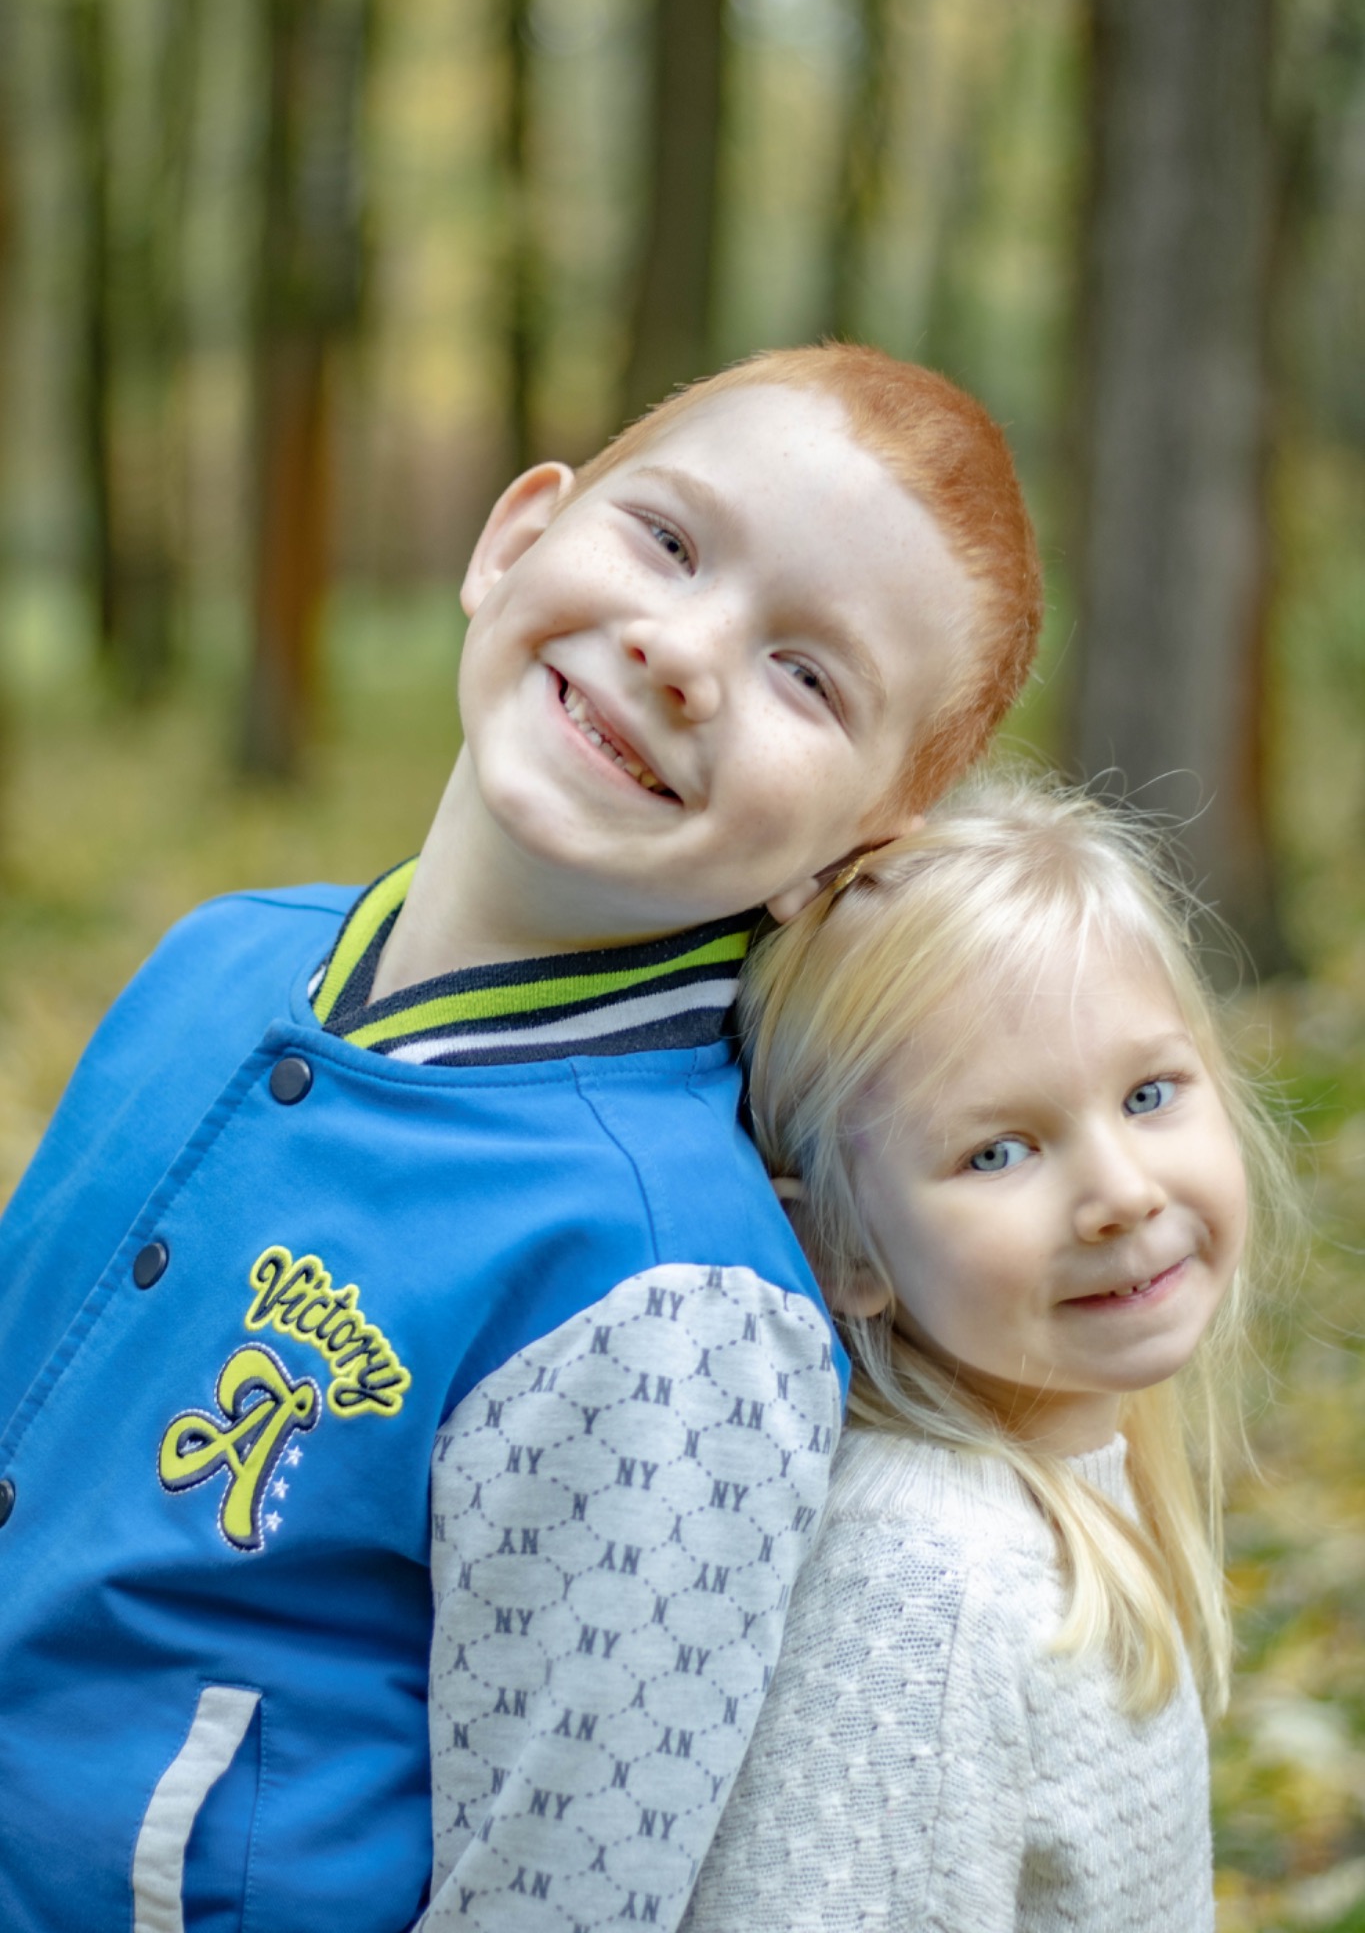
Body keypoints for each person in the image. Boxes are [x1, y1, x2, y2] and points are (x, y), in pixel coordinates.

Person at [0, 344, 1043, 1933]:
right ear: (514, 540)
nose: (683, 650)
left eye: (807, 676)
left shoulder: (667, 1297)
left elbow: (556, 1899)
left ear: (851, 851)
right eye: (669, 541)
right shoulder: (213, 959)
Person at [683, 777, 1300, 1933]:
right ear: (837, 1244)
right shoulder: (927, 1584)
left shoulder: (1044, 1507)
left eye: (1150, 1091)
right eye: (999, 1150)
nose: (1122, 1190)